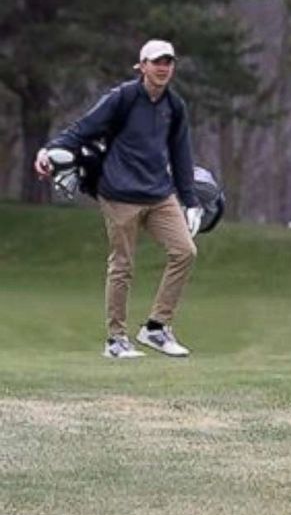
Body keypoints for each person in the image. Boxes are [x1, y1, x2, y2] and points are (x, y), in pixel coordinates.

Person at [34, 39, 202, 359]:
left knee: (185, 251)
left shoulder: (175, 106)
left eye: (168, 62)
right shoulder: (122, 98)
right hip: (119, 194)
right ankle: (116, 340)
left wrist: (190, 200)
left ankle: (156, 328)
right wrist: (48, 150)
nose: (163, 68)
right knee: (122, 265)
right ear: (142, 66)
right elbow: (81, 129)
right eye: (157, 62)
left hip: (160, 194)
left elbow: (181, 155)